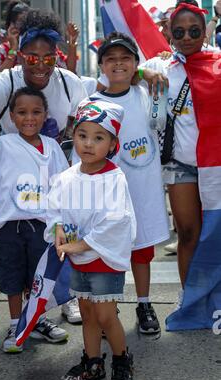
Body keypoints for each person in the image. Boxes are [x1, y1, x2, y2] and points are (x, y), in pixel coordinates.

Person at [0, 8, 87, 330]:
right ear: (19, 54)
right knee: (22, 257)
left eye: (48, 59)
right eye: (31, 58)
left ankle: (69, 300)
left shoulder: (71, 85)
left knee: (65, 242)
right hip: (18, 189)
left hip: (58, 176)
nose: (40, 66)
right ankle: (25, 318)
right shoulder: (4, 82)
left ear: (57, 57)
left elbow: (95, 122)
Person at [77, 33, 170, 335]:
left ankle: (144, 303)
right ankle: (109, 306)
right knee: (107, 252)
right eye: (111, 59)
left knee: (141, 251)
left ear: (135, 63)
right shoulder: (92, 103)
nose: (118, 64)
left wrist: (145, 73)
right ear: (101, 64)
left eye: (125, 58)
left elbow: (155, 74)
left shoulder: (148, 92)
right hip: (107, 194)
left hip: (142, 189)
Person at [45, 100, 136, 380]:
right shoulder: (68, 176)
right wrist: (58, 228)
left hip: (103, 259)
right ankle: (93, 362)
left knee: (106, 316)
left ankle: (122, 363)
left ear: (112, 145)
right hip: (79, 259)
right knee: (86, 313)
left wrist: (80, 244)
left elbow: (117, 221)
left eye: (99, 137)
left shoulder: (114, 177)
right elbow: (57, 208)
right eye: (82, 135)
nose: (88, 143)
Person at [0, 87, 69, 352]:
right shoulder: (4, 144)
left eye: (36, 112)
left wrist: (63, 223)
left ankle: (37, 320)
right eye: (22, 112)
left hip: (43, 225)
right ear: (12, 117)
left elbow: (63, 186)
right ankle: (16, 324)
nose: (30, 118)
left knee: (38, 278)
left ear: (45, 115)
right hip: (10, 227)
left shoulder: (52, 147)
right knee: (13, 275)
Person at [143, 2, 221, 309]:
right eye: (179, 31)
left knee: (216, 233)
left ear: (205, 31)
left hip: (215, 165)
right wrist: (145, 71)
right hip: (181, 166)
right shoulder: (162, 66)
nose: (187, 37)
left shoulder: (218, 62)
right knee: (189, 233)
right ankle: (189, 298)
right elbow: (117, 75)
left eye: (194, 31)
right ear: (169, 34)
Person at [0, 1, 30, 75]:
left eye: (27, 21)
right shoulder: (0, 50)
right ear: (11, 24)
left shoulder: (38, 46)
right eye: (21, 21)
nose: (25, 26)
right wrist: (13, 48)